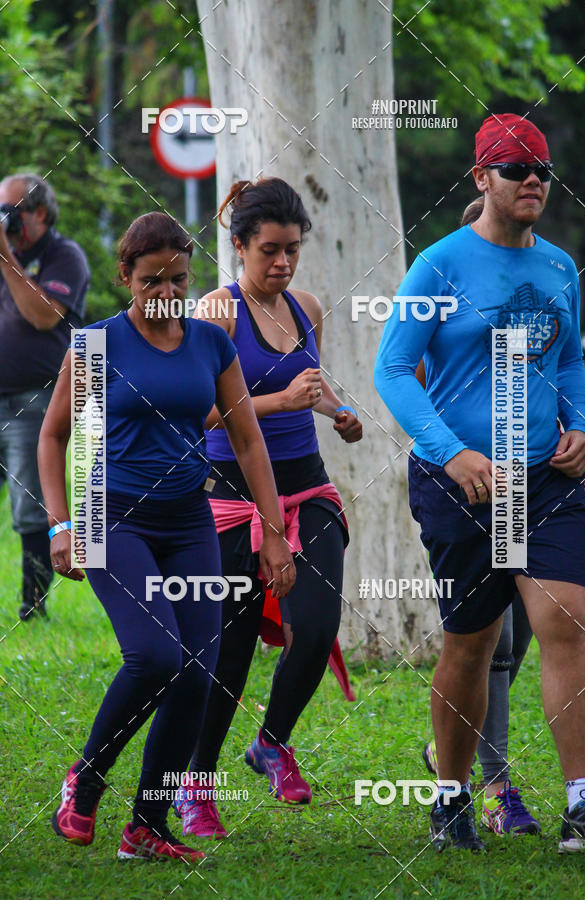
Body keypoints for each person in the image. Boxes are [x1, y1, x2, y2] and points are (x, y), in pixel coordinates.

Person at [38, 211, 295, 861]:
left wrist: (272, 532)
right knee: (155, 657)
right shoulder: (97, 345)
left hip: (188, 521)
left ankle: (147, 828)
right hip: (110, 517)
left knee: (198, 675)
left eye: (178, 279)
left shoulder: (209, 344)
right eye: (152, 280)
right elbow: (54, 436)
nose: (166, 292)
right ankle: (84, 780)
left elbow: (246, 440)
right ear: (126, 276)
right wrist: (62, 524)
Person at [375, 114, 585, 852]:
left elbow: (566, 363)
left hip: (544, 479)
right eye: (515, 169)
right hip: (466, 486)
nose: (533, 180)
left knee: (564, 622)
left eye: (542, 170)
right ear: (481, 178)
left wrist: (581, 426)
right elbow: (391, 369)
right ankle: (450, 797)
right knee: (471, 645)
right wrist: (451, 453)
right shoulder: (438, 265)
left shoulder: (560, 267)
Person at [172, 177, 362, 840]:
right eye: (270, 251)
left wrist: (337, 411)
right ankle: (195, 785)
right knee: (229, 651)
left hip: (307, 488)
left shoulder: (306, 307)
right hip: (231, 498)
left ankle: (271, 743)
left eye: (293, 249)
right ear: (239, 246)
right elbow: (196, 413)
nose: (283, 263)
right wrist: (280, 404)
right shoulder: (214, 314)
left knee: (317, 626)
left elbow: (309, 382)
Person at [420, 196, 541, 838]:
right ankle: (491, 787)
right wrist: (451, 450)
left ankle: (449, 749)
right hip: (464, 482)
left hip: (523, 476)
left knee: (518, 632)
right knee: (485, 638)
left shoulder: (533, 293)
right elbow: (407, 373)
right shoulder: (441, 285)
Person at [0, 173, 89, 621]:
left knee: (30, 503)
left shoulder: (63, 255)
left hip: (33, 398)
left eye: (9, 210)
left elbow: (43, 317)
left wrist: (6, 257)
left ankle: (32, 606)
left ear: (39, 213)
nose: (4, 219)